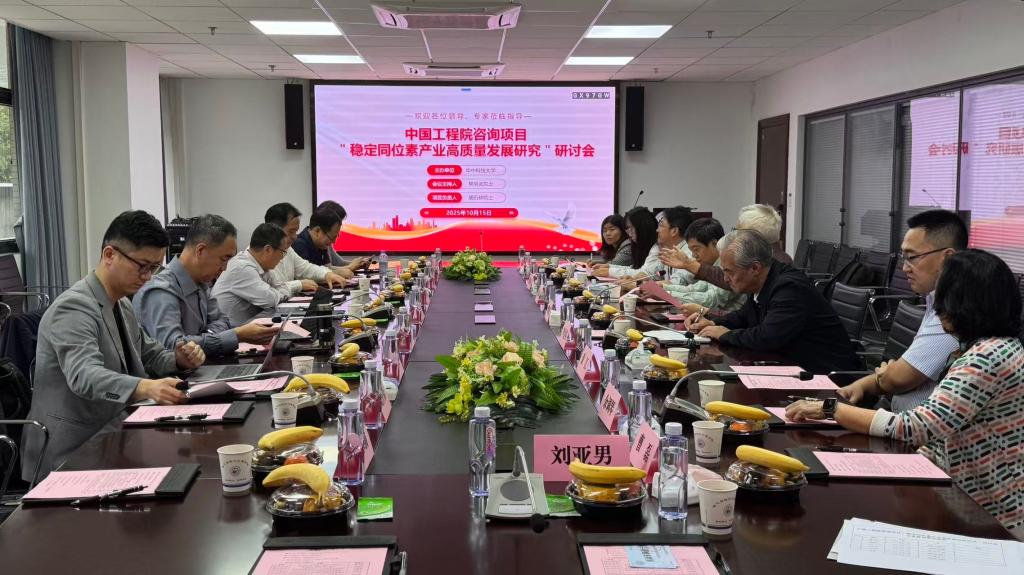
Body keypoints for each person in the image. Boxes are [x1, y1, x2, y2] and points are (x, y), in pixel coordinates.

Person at [786, 250, 1024, 539]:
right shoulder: (988, 347)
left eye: (943, 297)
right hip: (957, 488)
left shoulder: (988, 357)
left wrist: (831, 409)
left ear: (963, 304)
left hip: (985, 512)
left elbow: (915, 427)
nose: (938, 309)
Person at [21, 211, 206, 480]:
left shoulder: (121, 303)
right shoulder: (74, 308)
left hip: (115, 434)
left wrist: (178, 359)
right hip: (71, 451)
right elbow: (84, 376)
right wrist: (145, 387)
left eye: (155, 268)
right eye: (143, 266)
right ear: (109, 255)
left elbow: (148, 353)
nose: (148, 277)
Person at [835, 210, 966, 411]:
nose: (905, 268)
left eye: (912, 257)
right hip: (894, 416)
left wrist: (887, 375)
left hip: (913, 427)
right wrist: (864, 384)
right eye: (903, 258)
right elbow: (892, 377)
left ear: (947, 258)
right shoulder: (934, 300)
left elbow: (896, 379)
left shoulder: (956, 314)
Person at [685, 230, 859, 374]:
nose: (725, 278)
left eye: (729, 272)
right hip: (792, 366)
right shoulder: (763, 280)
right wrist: (713, 323)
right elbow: (743, 316)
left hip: (826, 377)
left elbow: (767, 337)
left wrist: (725, 334)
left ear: (755, 268)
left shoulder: (789, 288)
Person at [134, 214, 279, 357]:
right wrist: (235, 336)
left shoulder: (202, 283)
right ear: (200, 250)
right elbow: (174, 347)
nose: (225, 268)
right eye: (224, 258)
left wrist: (205, 338)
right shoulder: (161, 291)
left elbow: (223, 321)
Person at [661, 204, 792, 290]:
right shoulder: (771, 258)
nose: (734, 235)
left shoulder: (772, 266)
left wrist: (689, 264)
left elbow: (726, 284)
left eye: (738, 230)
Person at [213, 223, 299, 326]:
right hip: (228, 331)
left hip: (246, 327)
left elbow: (283, 288)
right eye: (283, 252)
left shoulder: (263, 266)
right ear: (268, 250)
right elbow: (271, 300)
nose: (282, 258)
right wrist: (277, 293)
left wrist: (276, 293)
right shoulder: (242, 268)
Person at [657, 218, 746, 314]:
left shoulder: (729, 265)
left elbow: (711, 300)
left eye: (696, 249)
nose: (694, 256)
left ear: (715, 244)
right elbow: (694, 289)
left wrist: (667, 294)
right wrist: (663, 288)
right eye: (691, 250)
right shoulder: (711, 266)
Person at [594, 206, 695, 287]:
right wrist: (634, 279)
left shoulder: (688, 252)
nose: (657, 230)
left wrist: (637, 284)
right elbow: (649, 273)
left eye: (661, 226)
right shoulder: (669, 250)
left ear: (674, 231)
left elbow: (677, 283)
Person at [264, 202, 346, 293]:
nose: (295, 237)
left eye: (296, 231)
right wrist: (299, 284)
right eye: (291, 231)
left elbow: (305, 268)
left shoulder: (288, 249)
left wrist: (326, 274)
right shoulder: (262, 252)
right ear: (274, 229)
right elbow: (271, 290)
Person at [590, 206, 656, 277]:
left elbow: (645, 273)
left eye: (612, 229)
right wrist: (608, 266)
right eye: (604, 231)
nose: (607, 233)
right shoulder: (638, 245)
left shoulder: (628, 246)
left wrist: (610, 271)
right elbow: (634, 267)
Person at [316, 200, 371, 275]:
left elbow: (338, 263)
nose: (339, 226)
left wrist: (358, 264)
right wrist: (351, 266)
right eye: (338, 222)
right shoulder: (317, 242)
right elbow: (325, 270)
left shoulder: (326, 241)